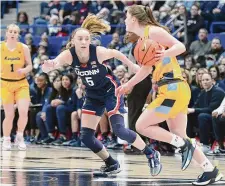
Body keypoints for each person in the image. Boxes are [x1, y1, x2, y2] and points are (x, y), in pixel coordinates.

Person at [116, 5, 223, 185]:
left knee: (141, 125)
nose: (124, 20)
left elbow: (180, 46)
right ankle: (209, 170)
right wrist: (128, 84)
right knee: (179, 133)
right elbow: (146, 68)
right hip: (174, 90)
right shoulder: (144, 40)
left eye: (126, 17)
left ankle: (182, 145)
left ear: (134, 18)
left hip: (172, 90)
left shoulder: (153, 31)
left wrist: (165, 53)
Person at [42, 14, 161, 176]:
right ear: (73, 41)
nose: (84, 42)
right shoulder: (68, 55)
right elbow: (53, 64)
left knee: (119, 130)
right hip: (92, 95)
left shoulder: (98, 52)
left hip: (111, 91)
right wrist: (48, 66)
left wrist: (132, 66)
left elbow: (117, 54)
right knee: (86, 136)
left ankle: (150, 153)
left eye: (86, 39)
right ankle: (111, 163)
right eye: (80, 39)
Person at [1, 24, 32, 150]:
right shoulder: (1, 47)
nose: (13, 33)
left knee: (23, 112)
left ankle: (19, 136)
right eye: (11, 31)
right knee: (9, 115)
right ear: (7, 33)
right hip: (5, 84)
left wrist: (24, 70)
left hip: (21, 83)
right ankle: (6, 138)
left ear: (18, 34)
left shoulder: (23, 48)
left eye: (15, 32)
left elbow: (30, 65)